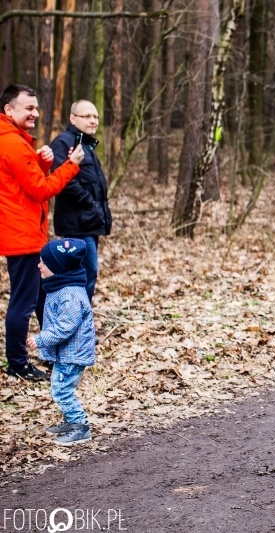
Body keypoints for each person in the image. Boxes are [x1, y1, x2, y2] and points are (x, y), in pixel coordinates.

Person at [0, 84, 84, 381]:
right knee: (24, 302)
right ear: (9, 110)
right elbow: (40, 190)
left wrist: (41, 162)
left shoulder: (15, 141)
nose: (35, 113)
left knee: (40, 298)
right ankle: (17, 364)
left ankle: (51, 352)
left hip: (27, 232)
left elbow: (21, 184)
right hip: (21, 236)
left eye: (36, 108)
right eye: (28, 108)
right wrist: (70, 166)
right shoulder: (11, 142)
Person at [26, 238, 95, 446]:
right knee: (61, 387)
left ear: (59, 268)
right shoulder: (63, 287)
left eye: (44, 263)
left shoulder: (70, 294)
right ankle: (70, 421)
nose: (39, 265)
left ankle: (79, 426)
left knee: (61, 389)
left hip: (73, 354)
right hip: (67, 352)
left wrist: (41, 339)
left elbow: (65, 326)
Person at [50, 100, 112, 303]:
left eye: (95, 117)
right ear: (72, 118)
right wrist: (89, 203)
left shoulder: (86, 144)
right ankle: (75, 324)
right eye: (87, 116)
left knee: (87, 274)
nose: (93, 121)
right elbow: (64, 181)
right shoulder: (64, 143)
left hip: (90, 221)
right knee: (84, 274)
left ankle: (79, 324)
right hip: (76, 223)